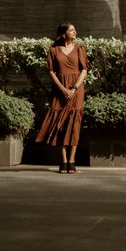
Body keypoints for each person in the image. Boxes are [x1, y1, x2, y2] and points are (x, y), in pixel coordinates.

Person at [34, 22, 88, 174]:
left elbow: (84, 70)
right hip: (60, 90)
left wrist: (74, 87)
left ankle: (72, 161)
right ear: (63, 33)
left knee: (74, 124)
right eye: (71, 30)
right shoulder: (54, 50)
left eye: (74, 30)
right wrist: (63, 89)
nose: (74, 32)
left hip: (76, 90)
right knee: (60, 124)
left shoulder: (80, 49)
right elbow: (51, 72)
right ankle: (63, 161)